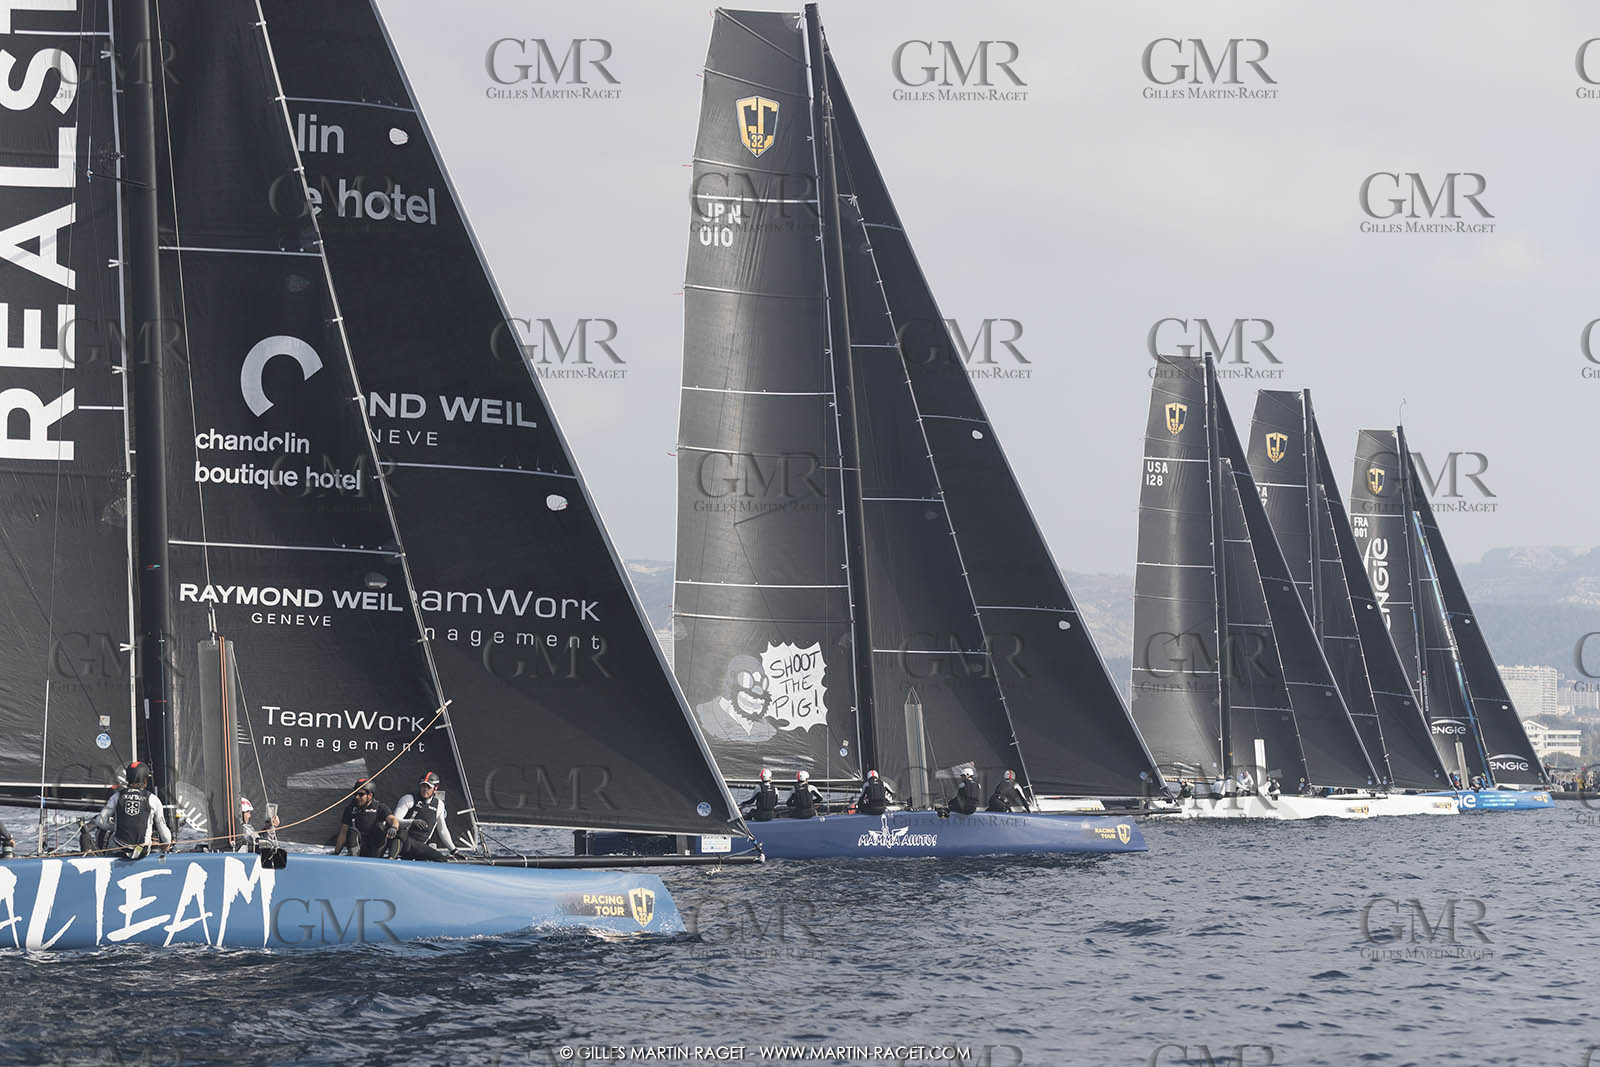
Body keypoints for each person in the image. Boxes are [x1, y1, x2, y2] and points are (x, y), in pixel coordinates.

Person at [92, 761, 172, 859]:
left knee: (113, 840)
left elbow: (99, 821)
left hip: (119, 848)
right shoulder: (153, 799)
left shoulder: (116, 796)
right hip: (141, 851)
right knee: (150, 841)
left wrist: (116, 827)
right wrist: (167, 845)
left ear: (127, 779)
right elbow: (166, 836)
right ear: (146, 780)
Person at [392, 771, 460, 861]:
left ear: (435, 788)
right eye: (423, 786)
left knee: (442, 860)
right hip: (404, 842)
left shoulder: (439, 804)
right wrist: (412, 822)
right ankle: (392, 858)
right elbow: (394, 820)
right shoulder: (409, 799)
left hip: (420, 846)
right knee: (401, 834)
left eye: (428, 787)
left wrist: (453, 850)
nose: (425, 789)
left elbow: (442, 830)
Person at [332, 778, 397, 857]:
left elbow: (392, 819)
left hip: (374, 846)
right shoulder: (351, 808)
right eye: (355, 794)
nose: (357, 797)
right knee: (352, 831)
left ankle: (378, 858)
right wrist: (336, 853)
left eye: (361, 794)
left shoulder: (380, 807)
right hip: (359, 846)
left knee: (380, 828)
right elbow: (343, 832)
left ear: (370, 795)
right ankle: (354, 858)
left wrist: (393, 827)